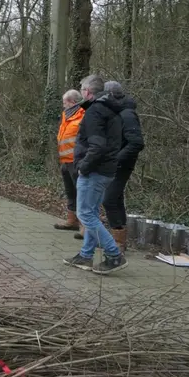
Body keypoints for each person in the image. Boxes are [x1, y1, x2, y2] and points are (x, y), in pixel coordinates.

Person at [63, 74, 127, 274]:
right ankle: (86, 255)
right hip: (106, 170)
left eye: (82, 89)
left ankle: (114, 255)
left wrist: (83, 166)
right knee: (91, 212)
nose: (81, 92)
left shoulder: (96, 112)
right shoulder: (112, 110)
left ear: (88, 92)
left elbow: (97, 145)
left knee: (85, 214)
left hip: (94, 171)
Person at [100, 81, 145, 252]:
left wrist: (116, 159)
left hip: (122, 165)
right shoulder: (116, 113)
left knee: (109, 199)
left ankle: (118, 241)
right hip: (113, 163)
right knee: (116, 199)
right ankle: (118, 239)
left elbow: (136, 143)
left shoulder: (127, 114)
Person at [54, 89, 86, 231]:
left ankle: (84, 225)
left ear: (72, 102)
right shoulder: (66, 116)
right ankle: (72, 221)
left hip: (76, 160)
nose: (63, 105)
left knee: (81, 192)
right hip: (65, 160)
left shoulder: (83, 115)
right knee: (70, 191)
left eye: (64, 102)